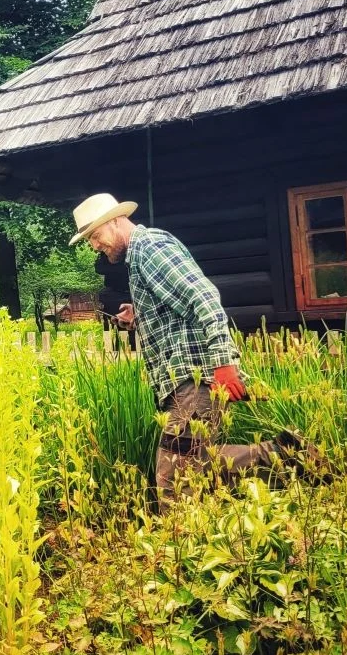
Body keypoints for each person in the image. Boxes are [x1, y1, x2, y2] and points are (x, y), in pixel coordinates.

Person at [69, 193, 320, 511]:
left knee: (173, 479)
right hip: (186, 381)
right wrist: (140, 315)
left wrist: (223, 364)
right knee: (199, 465)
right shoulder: (141, 256)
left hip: (195, 379)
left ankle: (180, 550)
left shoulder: (150, 247)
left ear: (116, 221)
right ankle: (285, 456)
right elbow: (179, 309)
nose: (95, 245)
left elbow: (203, 297)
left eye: (95, 235)